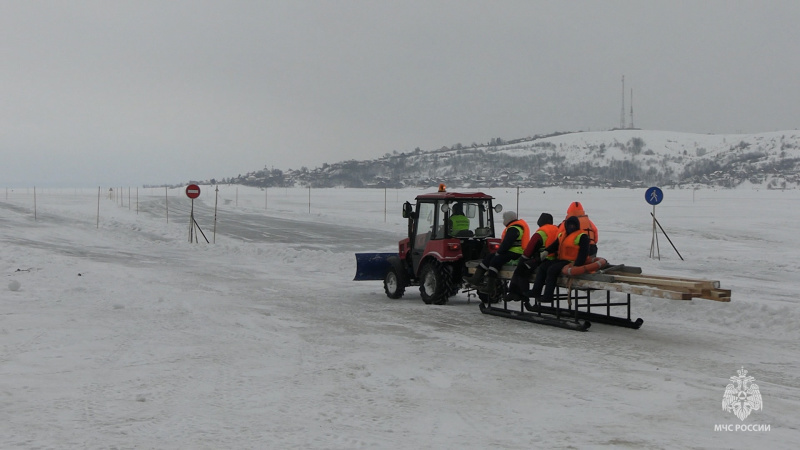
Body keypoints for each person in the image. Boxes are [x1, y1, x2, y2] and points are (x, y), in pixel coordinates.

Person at [463, 210, 529, 296]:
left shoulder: (514, 229)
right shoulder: (513, 227)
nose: (503, 221)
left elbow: (507, 243)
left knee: (495, 261)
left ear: (508, 219)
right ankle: (476, 278)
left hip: (515, 253)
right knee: (489, 257)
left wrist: (499, 252)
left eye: (504, 219)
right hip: (511, 252)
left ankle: (490, 287)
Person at [527, 215, 590, 303]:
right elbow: (555, 245)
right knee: (543, 266)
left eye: (573, 225)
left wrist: (577, 265)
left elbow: (583, 253)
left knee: (552, 270)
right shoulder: (562, 234)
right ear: (566, 225)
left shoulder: (582, 236)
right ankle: (536, 291)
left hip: (572, 262)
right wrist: (546, 252)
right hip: (562, 259)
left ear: (577, 226)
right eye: (570, 225)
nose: (571, 227)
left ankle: (548, 296)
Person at [505, 212, 559, 302]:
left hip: (543, 259)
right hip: (555, 258)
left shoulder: (541, 232)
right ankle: (514, 292)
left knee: (521, 269)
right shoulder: (557, 229)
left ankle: (522, 293)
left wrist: (524, 258)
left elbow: (530, 249)